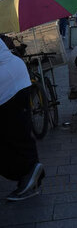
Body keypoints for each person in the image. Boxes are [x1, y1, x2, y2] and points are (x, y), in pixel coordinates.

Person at [0, 35, 44, 201]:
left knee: (12, 134)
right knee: (16, 132)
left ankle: (29, 172)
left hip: (7, 86)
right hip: (16, 77)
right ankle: (30, 171)